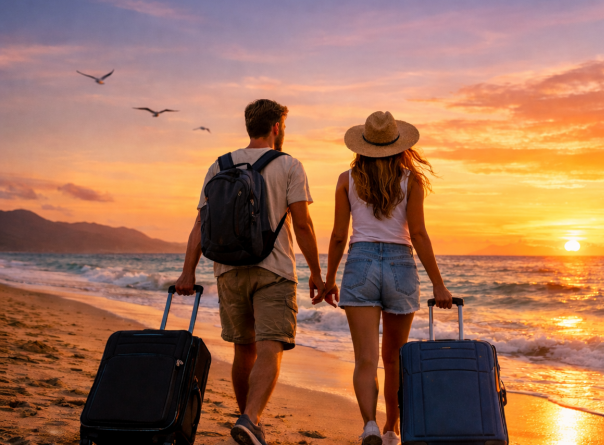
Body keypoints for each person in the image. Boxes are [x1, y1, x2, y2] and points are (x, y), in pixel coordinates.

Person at [175, 99, 325, 445]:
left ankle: (248, 421)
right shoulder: (289, 165)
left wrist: (187, 273)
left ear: (249, 126)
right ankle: (250, 419)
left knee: (244, 349)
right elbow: (303, 225)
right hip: (274, 269)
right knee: (271, 346)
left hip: (227, 270)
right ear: (276, 127)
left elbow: (201, 223)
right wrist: (317, 273)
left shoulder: (220, 165)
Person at [318, 111, 453, 445]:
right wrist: (438, 283)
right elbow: (418, 234)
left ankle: (370, 425)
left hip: (360, 264)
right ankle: (392, 429)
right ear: (399, 145)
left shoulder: (346, 180)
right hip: (400, 266)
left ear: (362, 145)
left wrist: (329, 279)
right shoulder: (412, 180)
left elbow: (338, 236)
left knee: (365, 359)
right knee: (393, 358)